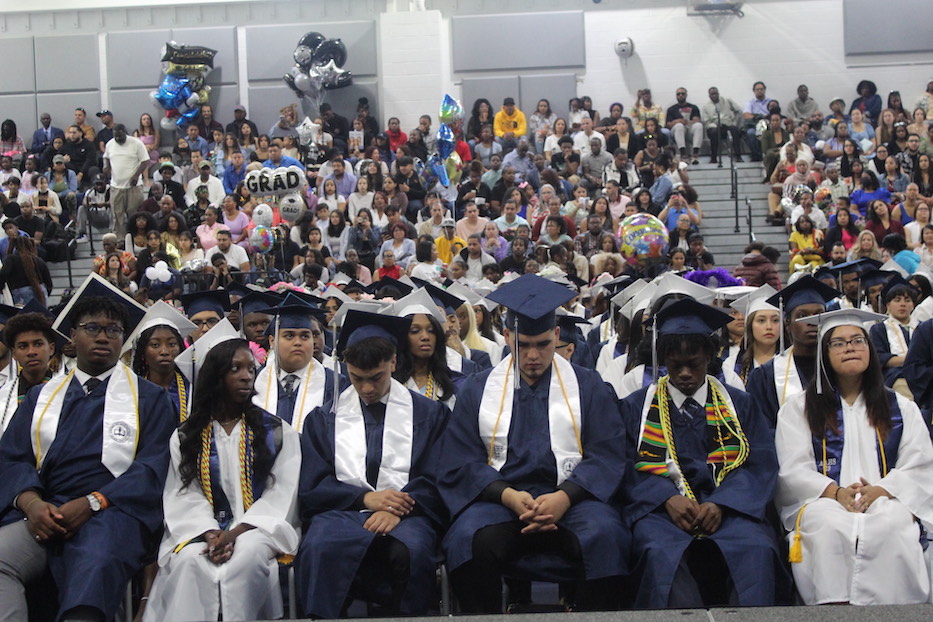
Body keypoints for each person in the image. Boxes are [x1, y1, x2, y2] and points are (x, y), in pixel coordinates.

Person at [437, 274, 629, 613]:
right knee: (468, 540)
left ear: (557, 336)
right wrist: (508, 496)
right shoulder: (479, 390)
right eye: (523, 344)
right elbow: (461, 460)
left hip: (575, 501)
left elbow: (607, 454)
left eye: (542, 344)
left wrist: (564, 497)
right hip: (500, 501)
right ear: (508, 336)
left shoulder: (589, 386)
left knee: (606, 537)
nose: (532, 356)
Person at [0, 280, 173, 622]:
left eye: (113, 329)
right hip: (44, 514)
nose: (103, 336)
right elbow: (12, 458)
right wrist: (33, 503)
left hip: (114, 514)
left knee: (95, 564)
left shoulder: (150, 398)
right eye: (92, 327)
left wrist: (95, 501)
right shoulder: (41, 397)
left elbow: (153, 468)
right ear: (71, 336)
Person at [621, 297, 785, 608]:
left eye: (693, 363)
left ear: (709, 356)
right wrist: (666, 498)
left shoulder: (740, 404)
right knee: (659, 553)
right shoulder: (636, 407)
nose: (684, 373)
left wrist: (723, 503)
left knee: (757, 549)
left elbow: (759, 463)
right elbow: (627, 465)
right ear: (663, 358)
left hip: (732, 509)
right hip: (661, 511)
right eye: (675, 364)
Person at [295, 310, 449, 618]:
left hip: (410, 512)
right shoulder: (324, 419)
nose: (366, 389)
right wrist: (365, 498)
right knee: (319, 547)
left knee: (412, 550)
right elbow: (313, 485)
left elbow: (440, 476)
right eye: (357, 378)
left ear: (393, 362)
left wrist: (397, 507)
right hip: (342, 511)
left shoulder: (431, 415)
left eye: (376, 378)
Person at [775, 308, 933, 605]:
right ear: (825, 354)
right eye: (839, 343)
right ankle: (833, 607)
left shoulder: (900, 407)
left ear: (870, 350)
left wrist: (882, 490)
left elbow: (920, 462)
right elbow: (792, 468)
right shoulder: (799, 408)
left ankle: (895, 612)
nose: (850, 348)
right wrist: (836, 493)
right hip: (824, 499)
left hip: (887, 497)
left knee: (891, 524)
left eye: (858, 340)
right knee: (828, 526)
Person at [143, 338, 302, 621]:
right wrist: (209, 532)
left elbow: (281, 494)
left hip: (259, 529)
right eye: (235, 368)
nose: (246, 376)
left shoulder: (276, 431)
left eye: (250, 369)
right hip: (201, 530)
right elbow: (183, 493)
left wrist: (234, 533)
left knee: (246, 557)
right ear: (216, 376)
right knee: (191, 562)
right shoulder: (186, 435)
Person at [746, 277, 840, 426]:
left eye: (819, 314)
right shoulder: (764, 376)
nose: (812, 321)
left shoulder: (842, 367)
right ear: (787, 323)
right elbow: (760, 430)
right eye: (802, 316)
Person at [252, 296, 337, 432]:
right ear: (272, 341)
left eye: (305, 336)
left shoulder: (335, 384)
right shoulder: (253, 381)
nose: (298, 342)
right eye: (289, 335)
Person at [0, 309, 57, 434]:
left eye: (38, 344)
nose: (31, 352)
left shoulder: (69, 391)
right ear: (14, 353)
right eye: (23, 346)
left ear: (51, 348)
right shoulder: (3, 396)